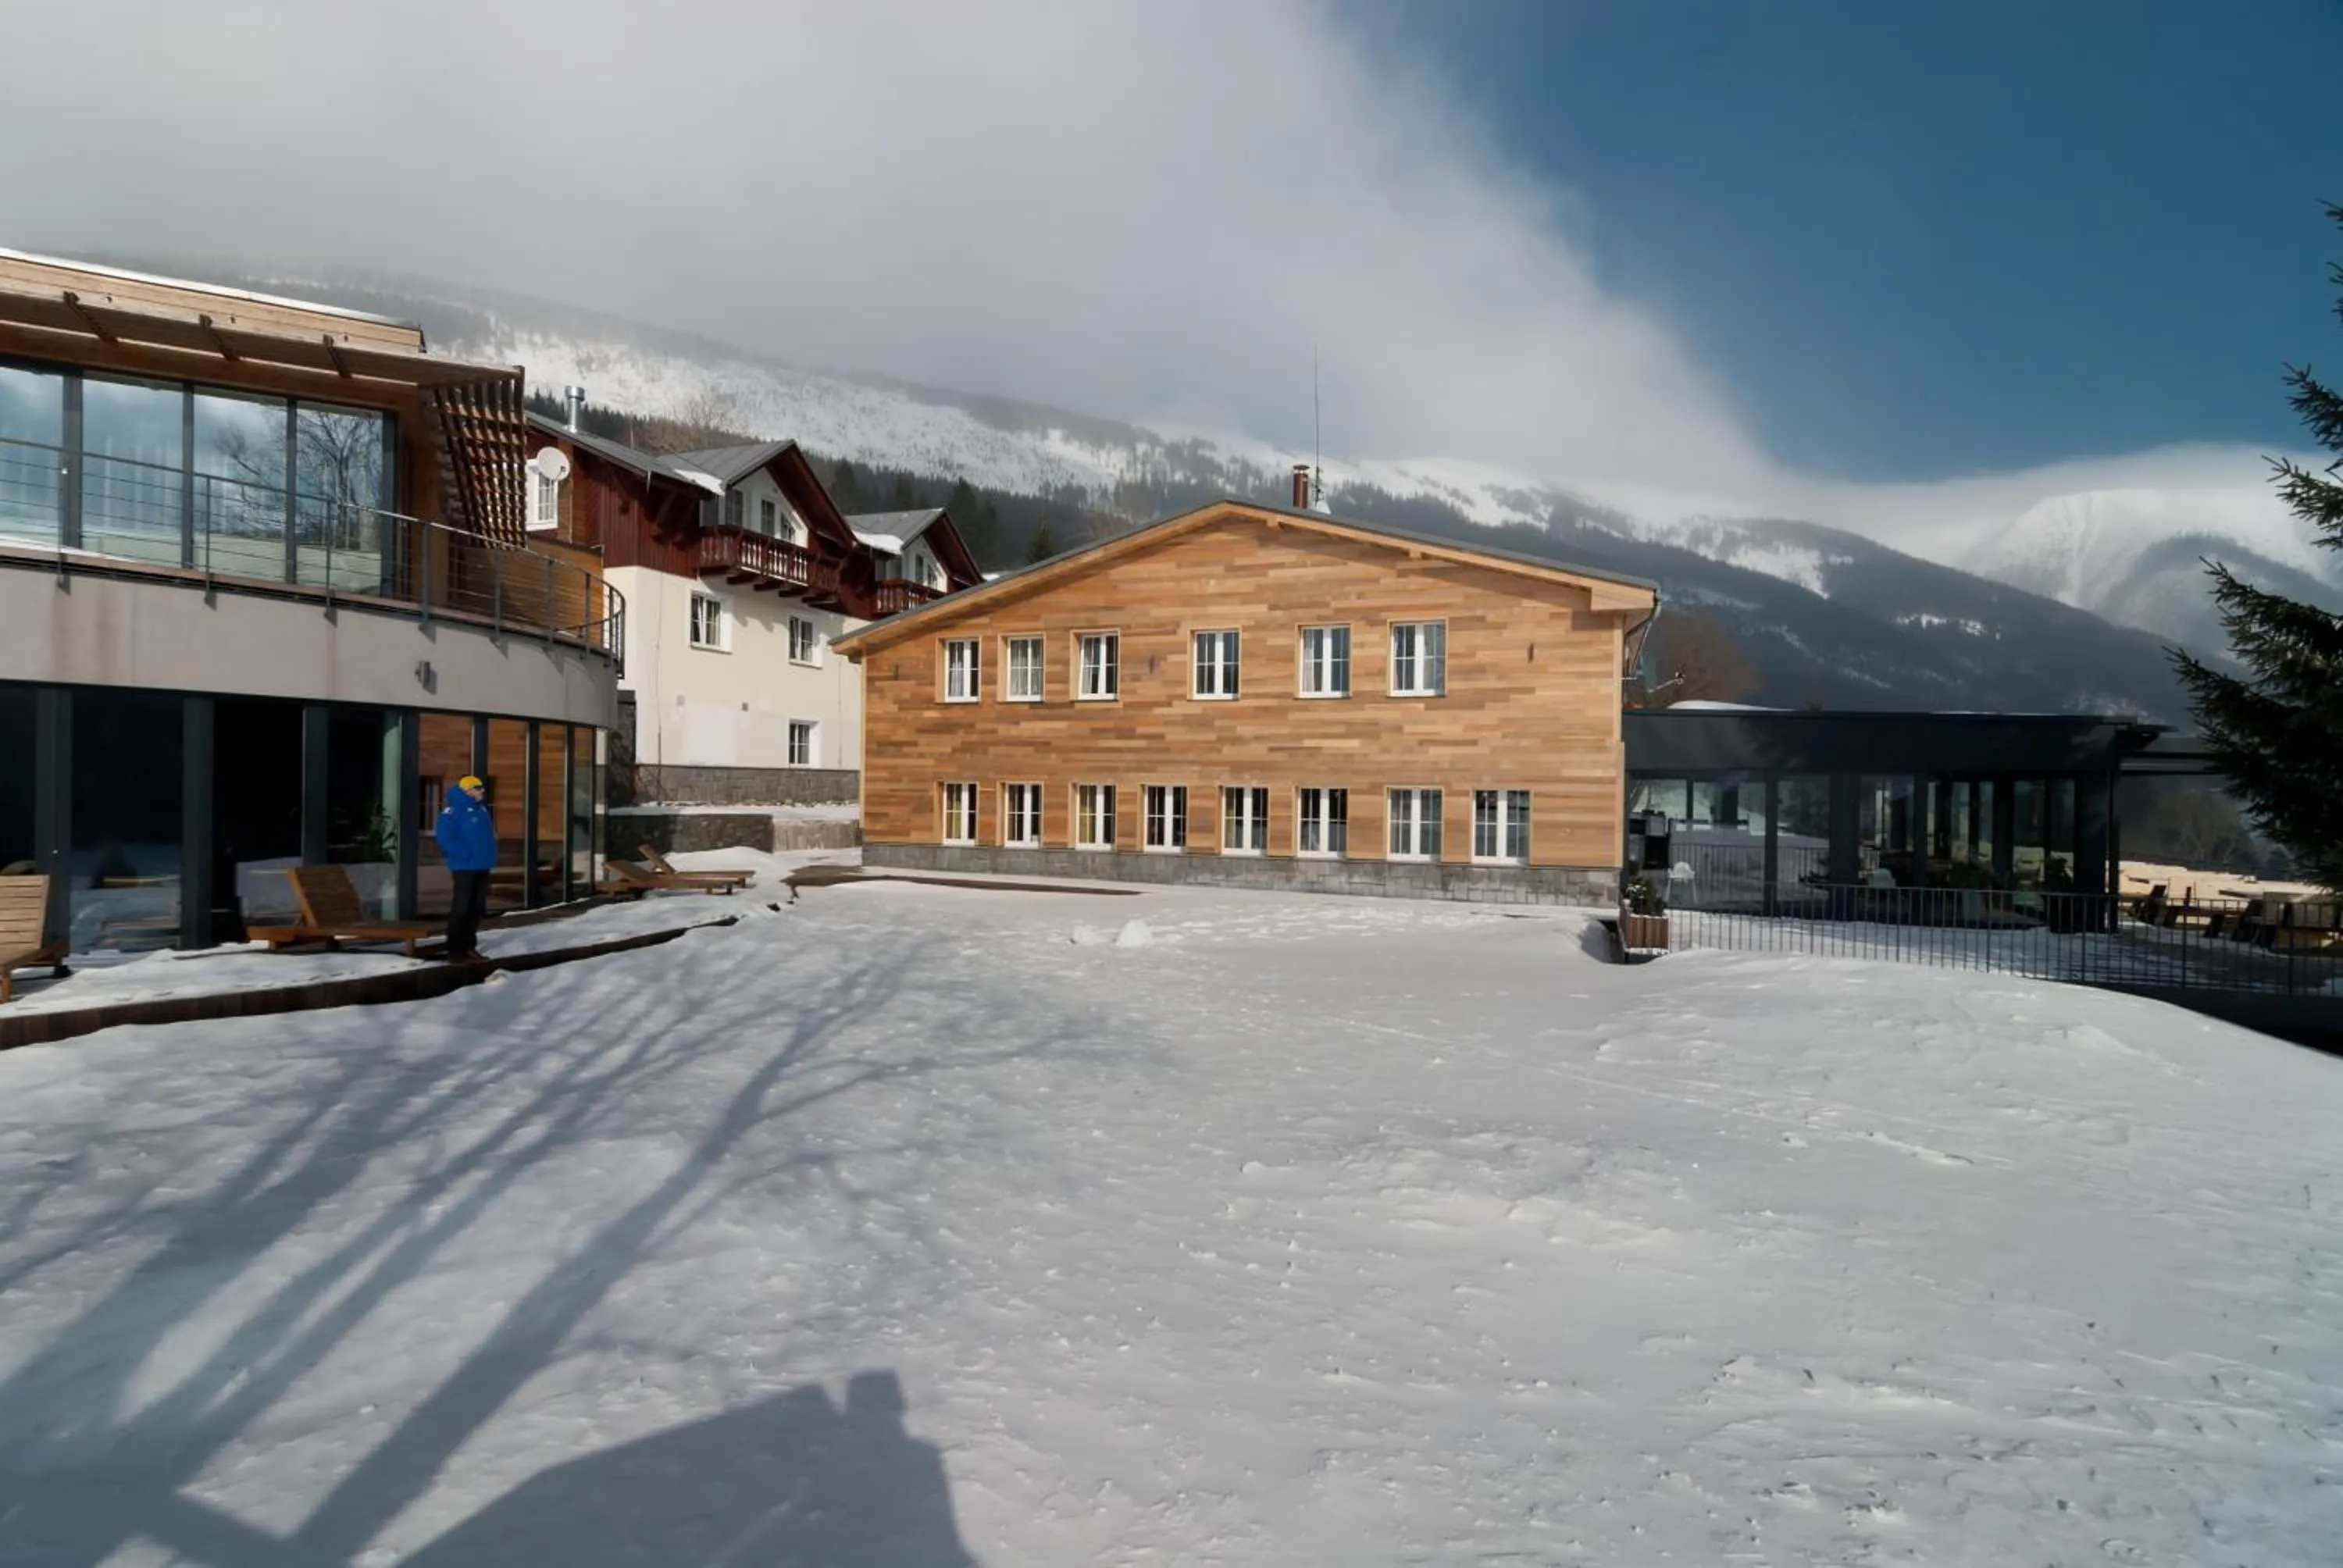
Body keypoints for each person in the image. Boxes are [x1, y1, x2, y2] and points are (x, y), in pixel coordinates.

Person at [433, 775, 496, 960]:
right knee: (462, 907)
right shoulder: (452, 812)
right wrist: (464, 854)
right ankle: (455, 949)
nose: (482, 791)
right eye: (478, 788)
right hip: (464, 867)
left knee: (476, 907)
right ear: (467, 791)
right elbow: (445, 838)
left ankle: (469, 946)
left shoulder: (481, 810)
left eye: (482, 788)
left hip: (482, 865)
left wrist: (491, 855)